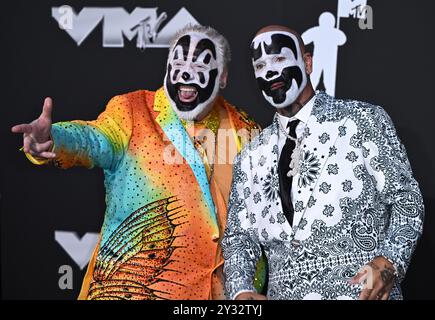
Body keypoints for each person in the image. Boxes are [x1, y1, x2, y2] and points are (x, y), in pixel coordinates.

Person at [11, 25, 260, 300]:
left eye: (201, 63)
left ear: (222, 76)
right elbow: (94, 140)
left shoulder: (243, 128)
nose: (186, 72)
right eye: (178, 62)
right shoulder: (133, 110)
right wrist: (53, 139)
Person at [221, 25, 424, 300]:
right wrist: (240, 291)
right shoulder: (250, 156)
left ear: (307, 62)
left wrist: (389, 261)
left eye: (280, 59)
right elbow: (238, 238)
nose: (269, 71)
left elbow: (406, 198)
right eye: (260, 64)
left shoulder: (361, 120)